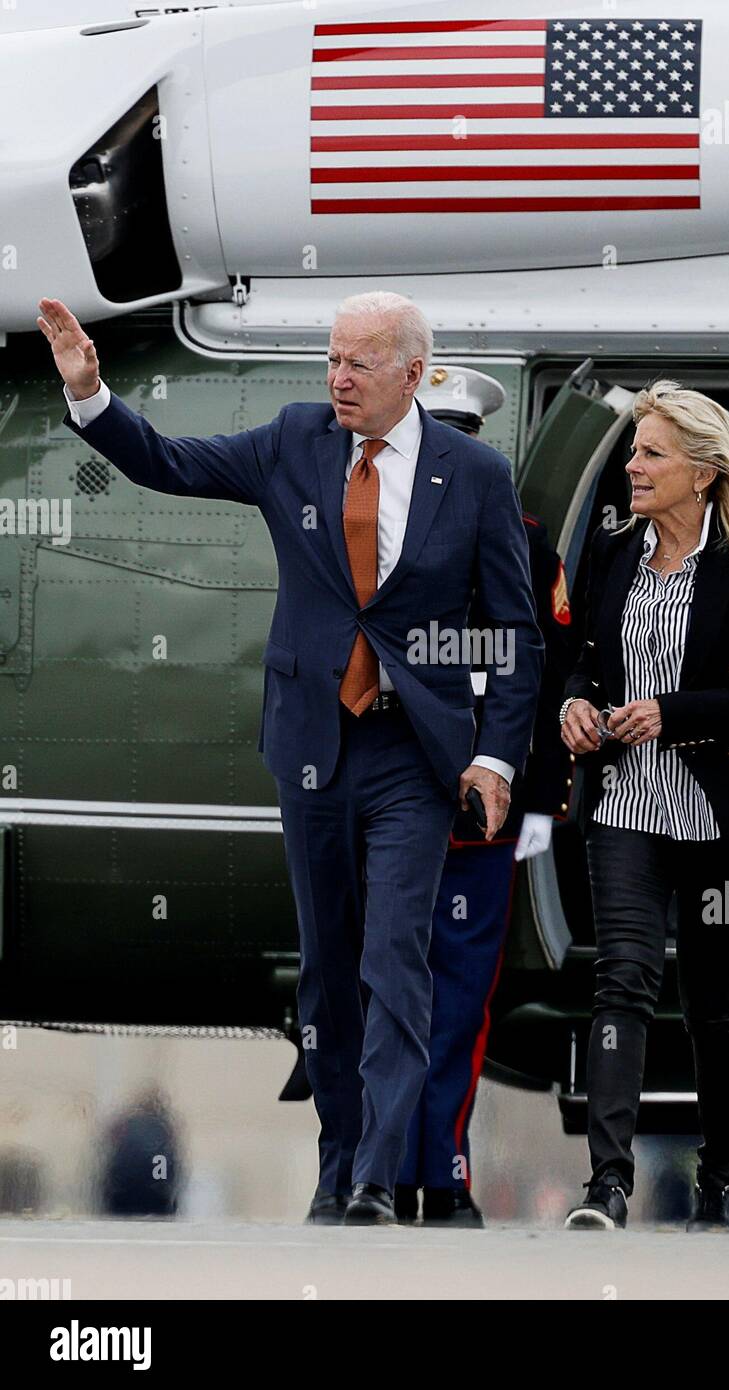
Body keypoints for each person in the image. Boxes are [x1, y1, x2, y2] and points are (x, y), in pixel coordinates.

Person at [38, 292, 543, 1227]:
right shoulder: (292, 440)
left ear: (409, 373)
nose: (338, 377)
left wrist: (495, 764)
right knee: (327, 969)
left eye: (358, 363)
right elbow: (172, 464)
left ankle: (376, 1183)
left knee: (397, 962)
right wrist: (93, 397)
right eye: (332, 359)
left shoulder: (472, 474)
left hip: (411, 756)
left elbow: (514, 636)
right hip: (312, 745)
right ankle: (337, 1158)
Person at [559, 379, 729, 1234]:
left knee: (711, 995)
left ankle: (720, 1179)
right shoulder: (610, 552)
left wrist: (673, 710)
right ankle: (607, 1185)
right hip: (626, 801)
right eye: (634, 451)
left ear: (701, 473)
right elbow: (582, 661)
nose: (631, 465)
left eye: (650, 453)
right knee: (621, 980)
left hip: (721, 813)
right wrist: (575, 705)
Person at [394, 366, 574, 1226]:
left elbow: (541, 673)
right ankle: (385, 1170)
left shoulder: (527, 538)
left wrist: (538, 795)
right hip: (397, 799)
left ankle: (440, 1170)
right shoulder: (379, 524)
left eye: (465, 442)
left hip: (480, 812)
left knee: (459, 1003)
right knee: (393, 995)